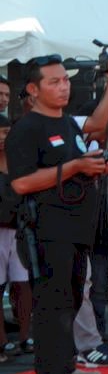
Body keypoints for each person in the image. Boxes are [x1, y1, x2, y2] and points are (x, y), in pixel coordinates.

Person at [5, 56, 108, 374]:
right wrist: (74, 167)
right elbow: (20, 183)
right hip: (46, 229)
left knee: (72, 299)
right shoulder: (26, 129)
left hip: (76, 227)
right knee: (53, 303)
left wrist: (92, 169)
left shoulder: (69, 124)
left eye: (65, 80)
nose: (63, 86)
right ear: (32, 89)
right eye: (54, 82)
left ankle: (65, 367)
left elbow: (99, 124)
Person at [0, 114, 36, 360]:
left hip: (19, 229)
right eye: (0, 133)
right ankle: (2, 342)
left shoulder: (19, 160)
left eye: (6, 132)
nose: (4, 137)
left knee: (23, 284)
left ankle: (26, 336)